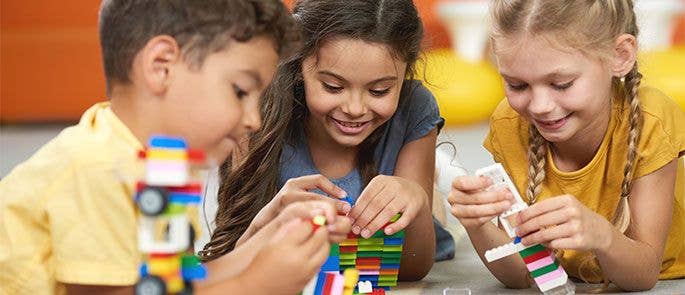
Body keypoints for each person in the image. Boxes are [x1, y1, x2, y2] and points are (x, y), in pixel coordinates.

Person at [0, 0, 349, 294]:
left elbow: (174, 284)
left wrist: (266, 238)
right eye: (241, 91)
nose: (254, 120)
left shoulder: (163, 167)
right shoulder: (98, 167)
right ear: (161, 66)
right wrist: (257, 285)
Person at [202, 0, 456, 280]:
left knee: (428, 203)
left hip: (401, 242)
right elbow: (230, 260)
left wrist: (417, 198)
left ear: (405, 74)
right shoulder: (257, 113)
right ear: (299, 65)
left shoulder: (413, 107)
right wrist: (267, 222)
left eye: (380, 90)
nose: (355, 108)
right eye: (333, 87)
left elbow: (414, 268)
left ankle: (432, 186)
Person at [448, 0, 685, 291]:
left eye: (562, 84)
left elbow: (643, 274)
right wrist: (477, 224)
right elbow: (521, 275)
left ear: (620, 56)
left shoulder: (652, 119)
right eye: (517, 85)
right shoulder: (510, 123)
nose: (540, 106)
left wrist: (601, 235)